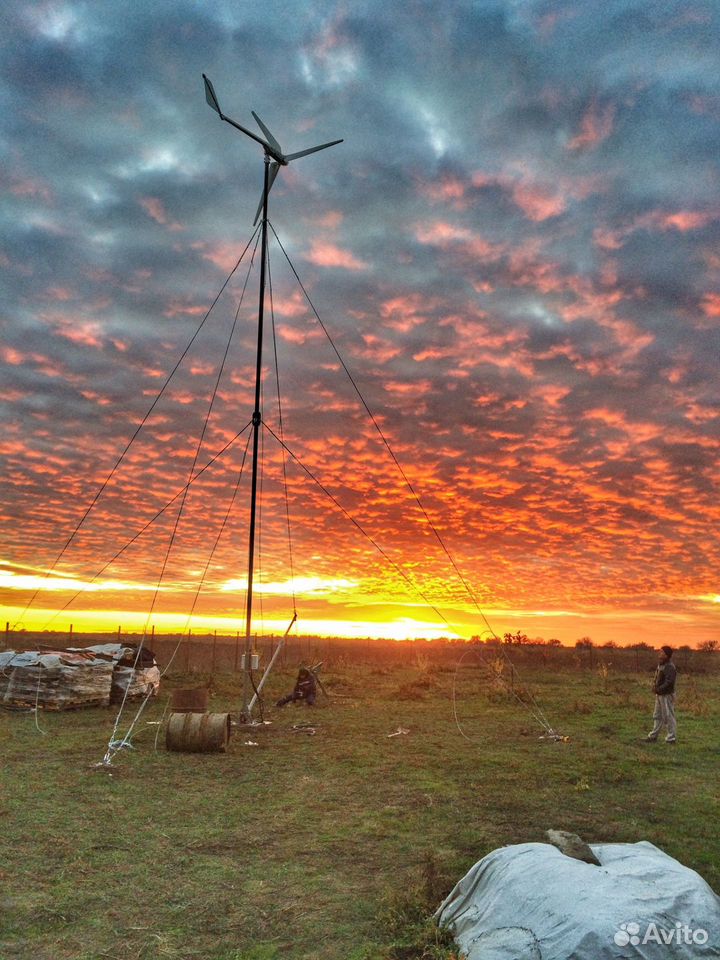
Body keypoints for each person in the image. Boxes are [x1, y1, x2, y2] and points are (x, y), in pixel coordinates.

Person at [645, 645, 677, 744]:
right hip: (659, 694)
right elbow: (658, 678)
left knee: (668, 716)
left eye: (662, 652)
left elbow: (669, 682)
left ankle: (671, 738)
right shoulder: (661, 665)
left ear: (667, 655)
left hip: (666, 695)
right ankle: (653, 736)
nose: (660, 653)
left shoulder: (670, 666)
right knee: (657, 715)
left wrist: (658, 689)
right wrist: (655, 688)